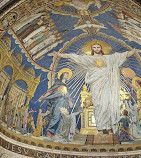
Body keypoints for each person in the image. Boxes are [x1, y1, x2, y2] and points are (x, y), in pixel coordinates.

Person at [48, 44, 140, 135]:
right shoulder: (89, 59)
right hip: (96, 84)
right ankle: (100, 128)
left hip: (106, 84)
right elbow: (74, 57)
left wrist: (133, 52)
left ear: (101, 48)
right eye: (94, 47)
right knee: (98, 105)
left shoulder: (109, 58)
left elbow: (122, 56)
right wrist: (59, 55)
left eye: (98, 47)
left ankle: (108, 127)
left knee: (107, 104)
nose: (96, 49)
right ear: (92, 49)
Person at [38, 68, 73, 137]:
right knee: (56, 116)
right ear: (62, 75)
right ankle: (49, 131)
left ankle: (56, 133)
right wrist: (43, 97)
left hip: (64, 103)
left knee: (62, 118)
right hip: (58, 102)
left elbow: (67, 94)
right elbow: (51, 91)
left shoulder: (66, 86)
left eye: (67, 75)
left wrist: (70, 102)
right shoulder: (57, 84)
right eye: (66, 74)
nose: (67, 76)